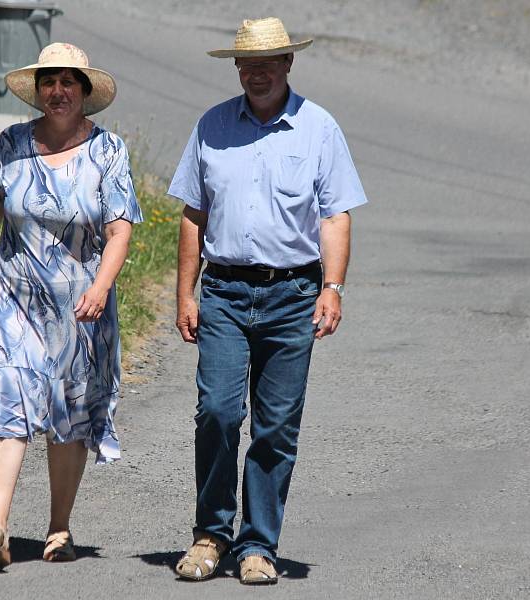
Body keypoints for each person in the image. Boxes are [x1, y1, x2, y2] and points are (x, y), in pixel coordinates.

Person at [169, 17, 368, 585]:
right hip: (225, 292)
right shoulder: (211, 126)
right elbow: (192, 214)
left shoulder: (319, 128)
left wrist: (333, 287)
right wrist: (186, 292)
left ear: (288, 65)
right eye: (246, 65)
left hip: (293, 292)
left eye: (267, 64)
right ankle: (211, 534)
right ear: (236, 68)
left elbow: (335, 214)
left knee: (276, 426)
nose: (256, 74)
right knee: (218, 412)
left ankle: (258, 544)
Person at [0, 42, 142, 569]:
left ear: (83, 94)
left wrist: (101, 287)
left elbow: (120, 229)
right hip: (14, 297)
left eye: (67, 83)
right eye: (48, 82)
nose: (57, 91)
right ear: (37, 92)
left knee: (69, 408)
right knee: (7, 386)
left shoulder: (108, 151)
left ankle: (59, 527)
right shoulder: (11, 142)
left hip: (81, 303)